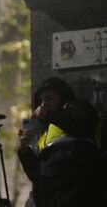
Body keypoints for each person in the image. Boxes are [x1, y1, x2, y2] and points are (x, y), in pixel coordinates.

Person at [18, 77, 106, 207]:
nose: (44, 104)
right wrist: (25, 152)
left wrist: (50, 115)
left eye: (49, 98)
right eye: (41, 101)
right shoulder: (45, 134)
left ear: (63, 98)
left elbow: (83, 125)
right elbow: (39, 176)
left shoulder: (76, 109)